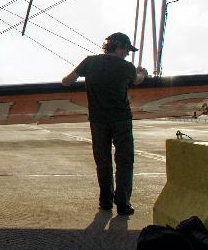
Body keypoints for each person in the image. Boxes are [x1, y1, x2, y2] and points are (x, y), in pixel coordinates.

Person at [62, 32, 147, 216]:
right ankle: (123, 203)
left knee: (103, 161)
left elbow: (66, 81)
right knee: (124, 161)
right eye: (127, 50)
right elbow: (138, 80)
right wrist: (142, 72)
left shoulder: (89, 62)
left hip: (98, 120)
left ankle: (106, 202)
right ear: (120, 47)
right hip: (121, 120)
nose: (127, 54)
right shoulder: (126, 67)